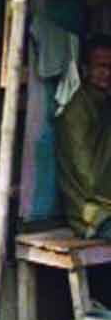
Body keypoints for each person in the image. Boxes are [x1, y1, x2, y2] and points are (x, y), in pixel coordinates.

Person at [56, 34, 111, 239]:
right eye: (101, 66)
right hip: (90, 214)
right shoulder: (77, 111)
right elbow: (89, 178)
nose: (107, 73)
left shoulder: (103, 103)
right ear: (86, 69)